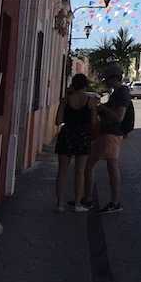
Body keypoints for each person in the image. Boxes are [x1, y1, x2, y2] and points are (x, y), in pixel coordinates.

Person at [84, 66, 133, 213]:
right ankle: (92, 199)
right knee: (97, 165)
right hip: (108, 133)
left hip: (112, 134)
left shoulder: (122, 93)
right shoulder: (117, 93)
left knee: (107, 166)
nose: (105, 82)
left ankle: (111, 202)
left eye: (107, 79)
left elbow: (119, 117)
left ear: (113, 78)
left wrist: (101, 107)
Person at [54, 74, 94, 212]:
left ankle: (60, 204)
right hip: (82, 136)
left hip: (66, 135)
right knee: (80, 172)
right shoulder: (90, 101)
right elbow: (93, 122)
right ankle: (77, 204)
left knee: (62, 172)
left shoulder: (66, 100)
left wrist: (64, 102)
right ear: (85, 85)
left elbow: (58, 121)